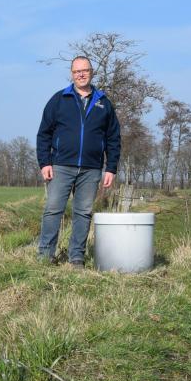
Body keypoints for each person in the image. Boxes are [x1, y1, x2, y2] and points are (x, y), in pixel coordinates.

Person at [36, 56, 121, 267]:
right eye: (76, 72)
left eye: (85, 70)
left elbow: (113, 137)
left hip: (91, 169)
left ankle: (76, 258)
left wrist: (111, 168)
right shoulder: (59, 99)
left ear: (91, 72)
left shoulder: (104, 102)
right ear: (71, 74)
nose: (81, 74)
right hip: (61, 166)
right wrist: (44, 162)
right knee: (53, 209)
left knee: (83, 213)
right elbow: (44, 133)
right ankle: (45, 256)